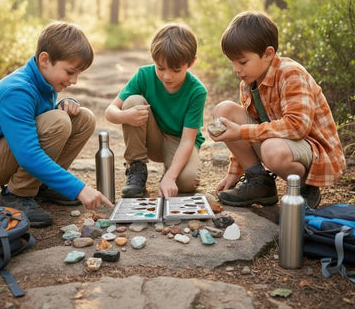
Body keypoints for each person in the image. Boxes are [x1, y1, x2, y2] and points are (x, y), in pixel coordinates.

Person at [0, 21, 113, 228]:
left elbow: (38, 116)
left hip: (11, 149)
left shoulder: (44, 79)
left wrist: (63, 104)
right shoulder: (17, 91)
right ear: (45, 60)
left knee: (84, 118)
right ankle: (15, 195)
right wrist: (79, 188)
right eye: (70, 72)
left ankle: (43, 186)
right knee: (58, 122)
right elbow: (29, 153)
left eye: (78, 73)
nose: (75, 80)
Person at [208, 11, 346, 209]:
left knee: (271, 149)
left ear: (268, 54)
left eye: (242, 62)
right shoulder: (248, 82)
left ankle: (306, 186)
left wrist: (241, 132)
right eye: (232, 62)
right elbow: (244, 132)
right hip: (277, 140)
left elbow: (297, 127)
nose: (235, 69)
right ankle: (259, 181)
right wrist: (234, 171)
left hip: (311, 148)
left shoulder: (291, 73)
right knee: (224, 112)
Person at [105, 23, 207, 199]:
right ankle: (136, 169)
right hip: (153, 137)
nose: (167, 76)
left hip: (178, 141)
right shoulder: (144, 75)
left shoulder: (197, 91)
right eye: (160, 68)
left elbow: (187, 141)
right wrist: (125, 116)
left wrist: (170, 176)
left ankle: (170, 169)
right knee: (132, 101)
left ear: (191, 63)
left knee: (186, 182)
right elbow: (110, 111)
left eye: (176, 70)